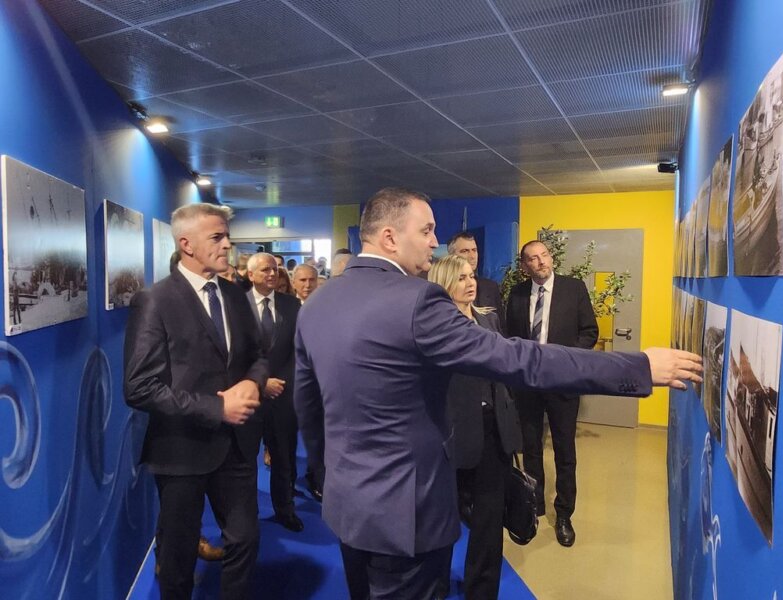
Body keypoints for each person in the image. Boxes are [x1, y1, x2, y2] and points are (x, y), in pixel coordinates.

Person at [293, 187, 702, 599]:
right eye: (427, 230)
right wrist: (637, 367)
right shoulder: (417, 301)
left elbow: (308, 409)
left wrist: (329, 476)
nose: (435, 242)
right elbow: (520, 359)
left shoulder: (317, 303)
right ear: (389, 237)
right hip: (408, 512)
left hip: (347, 506)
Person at [124, 203, 269, 599]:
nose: (227, 245)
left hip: (237, 447)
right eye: (217, 237)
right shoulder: (155, 300)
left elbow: (258, 355)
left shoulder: (236, 295)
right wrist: (217, 408)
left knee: (245, 538)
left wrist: (252, 383)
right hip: (181, 450)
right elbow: (138, 387)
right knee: (178, 554)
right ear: (186, 244)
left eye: (227, 236)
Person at [429, 254, 522, 600]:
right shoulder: (435, 328)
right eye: (461, 278)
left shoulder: (489, 319)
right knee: (442, 518)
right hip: (451, 433)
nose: (470, 283)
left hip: (494, 429)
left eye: (472, 276)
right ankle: (433, 585)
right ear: (443, 284)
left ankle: (481, 591)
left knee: (489, 519)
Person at [506, 239, 597, 547]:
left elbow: (589, 332)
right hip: (528, 386)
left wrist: (564, 361)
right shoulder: (517, 294)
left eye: (544, 255)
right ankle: (534, 506)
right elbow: (511, 338)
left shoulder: (574, 288)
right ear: (525, 266)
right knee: (531, 448)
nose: (541, 261)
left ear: (551, 258)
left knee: (564, 450)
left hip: (562, 383)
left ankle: (564, 514)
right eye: (533, 258)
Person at [246, 252, 304, 533]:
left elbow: (299, 350)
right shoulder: (236, 305)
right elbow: (232, 353)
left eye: (275, 269)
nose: (272, 274)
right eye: (265, 270)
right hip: (249, 395)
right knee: (246, 461)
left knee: (283, 458)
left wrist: (286, 383)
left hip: (284, 394)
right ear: (251, 275)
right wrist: (261, 382)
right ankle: (246, 514)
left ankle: (285, 509)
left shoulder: (292, 305)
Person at [447, 232, 504, 324]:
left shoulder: (491, 287)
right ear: (451, 256)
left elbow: (501, 328)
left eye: (474, 250)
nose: (472, 256)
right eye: (465, 251)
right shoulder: (440, 288)